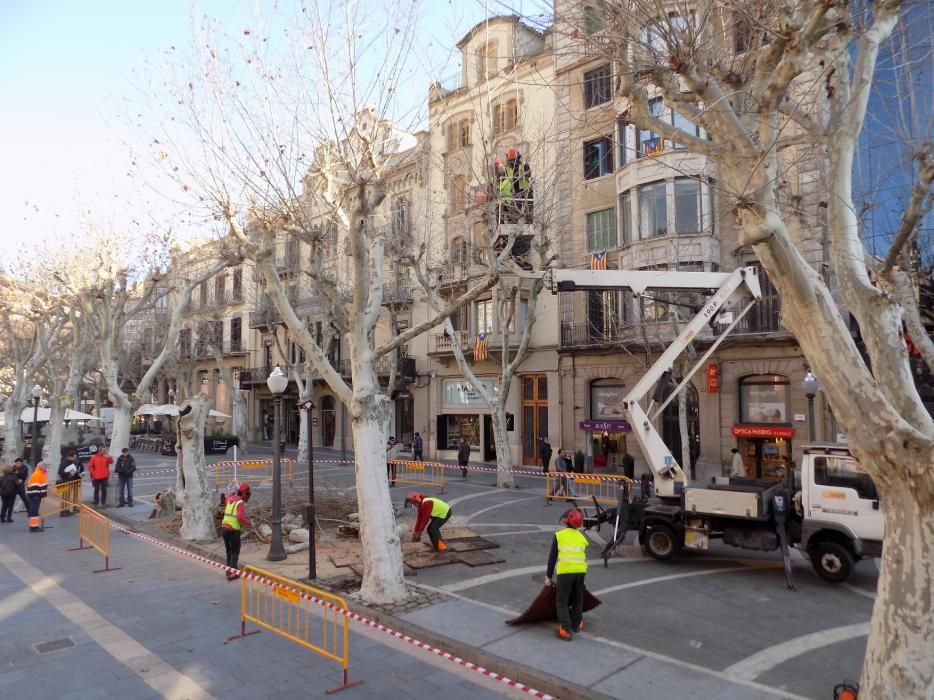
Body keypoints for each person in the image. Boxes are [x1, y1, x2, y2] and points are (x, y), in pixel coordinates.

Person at [546, 508, 588, 641]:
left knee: (562, 602)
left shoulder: (559, 535)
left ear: (566, 521)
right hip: (581, 572)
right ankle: (577, 624)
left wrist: (548, 576)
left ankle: (565, 629)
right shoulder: (582, 537)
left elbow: (552, 557)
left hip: (565, 573)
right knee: (577, 599)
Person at [221, 483, 252, 581]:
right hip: (233, 530)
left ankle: (229, 570)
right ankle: (233, 573)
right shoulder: (240, 503)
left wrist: (231, 493)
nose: (247, 497)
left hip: (224, 528)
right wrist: (249, 523)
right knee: (235, 551)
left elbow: (227, 499)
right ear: (244, 494)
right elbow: (239, 517)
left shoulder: (231, 499)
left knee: (228, 551)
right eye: (247, 494)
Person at [26, 462, 49, 532]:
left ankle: (34, 526)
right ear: (40, 467)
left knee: (34, 511)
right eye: (45, 466)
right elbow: (35, 487)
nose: (46, 467)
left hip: (36, 495)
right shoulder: (37, 474)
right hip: (35, 496)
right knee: (34, 512)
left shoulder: (41, 473)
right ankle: (33, 527)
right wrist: (36, 496)